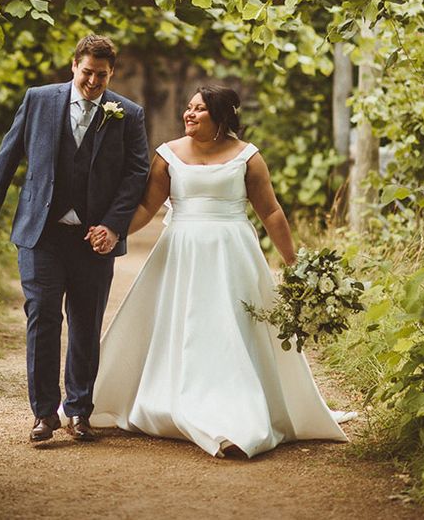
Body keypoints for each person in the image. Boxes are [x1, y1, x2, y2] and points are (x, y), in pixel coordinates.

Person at [84, 85, 348, 458]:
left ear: (222, 118)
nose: (189, 114)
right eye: (188, 108)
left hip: (233, 254)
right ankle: (178, 402)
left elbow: (270, 212)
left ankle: (240, 415)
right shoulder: (167, 155)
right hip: (181, 254)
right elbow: (145, 207)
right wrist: (114, 232)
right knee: (185, 326)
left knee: (232, 329)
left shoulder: (248, 158)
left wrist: (295, 264)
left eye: (199, 110)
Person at [0, 34, 149, 443]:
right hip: (42, 233)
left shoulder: (128, 114)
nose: (93, 82)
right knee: (43, 317)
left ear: (111, 74)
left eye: (102, 76)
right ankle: (43, 414)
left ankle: (80, 411)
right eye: (87, 73)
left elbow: (136, 174)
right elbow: (9, 153)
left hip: (94, 239)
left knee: (86, 325)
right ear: (74, 66)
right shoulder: (39, 99)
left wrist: (113, 225)